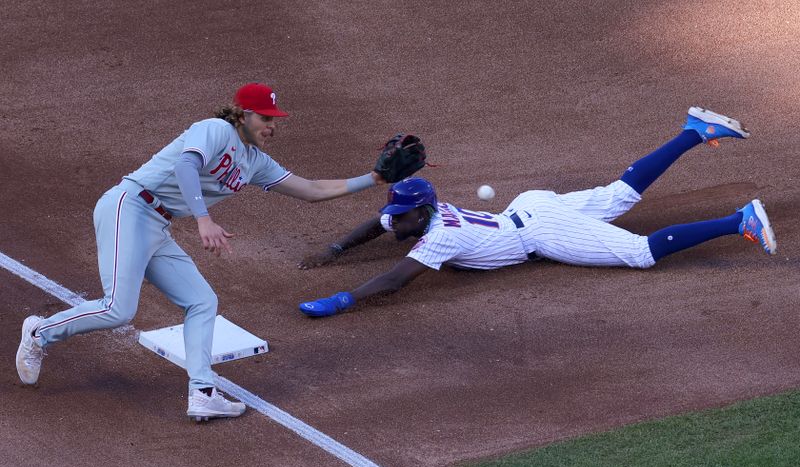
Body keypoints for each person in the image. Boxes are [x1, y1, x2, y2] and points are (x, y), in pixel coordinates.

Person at [15, 82, 400, 421]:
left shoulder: (255, 162)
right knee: (119, 308)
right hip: (129, 206)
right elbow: (186, 166)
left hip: (157, 223)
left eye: (274, 118)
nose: (272, 126)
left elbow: (312, 190)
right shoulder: (215, 129)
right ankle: (39, 331)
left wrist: (375, 177)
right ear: (243, 114)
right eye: (265, 118)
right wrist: (203, 219)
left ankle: (203, 394)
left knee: (201, 302)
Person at [297, 107, 777, 317]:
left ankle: (739, 220)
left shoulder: (438, 236)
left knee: (639, 254)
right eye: (394, 216)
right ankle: (695, 130)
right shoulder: (422, 211)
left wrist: (343, 299)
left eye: (400, 218)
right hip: (530, 205)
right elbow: (374, 225)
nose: (392, 222)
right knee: (619, 196)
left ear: (421, 216)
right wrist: (335, 248)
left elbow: (393, 281)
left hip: (542, 232)